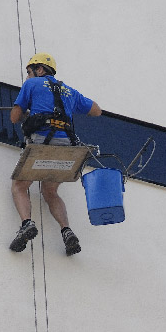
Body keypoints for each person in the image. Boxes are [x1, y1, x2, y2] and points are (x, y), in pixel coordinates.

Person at [8, 53, 102, 256]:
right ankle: (66, 231)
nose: (27, 77)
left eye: (29, 72)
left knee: (19, 186)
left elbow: (14, 117)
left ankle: (26, 224)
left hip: (42, 145)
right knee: (50, 192)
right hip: (68, 149)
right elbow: (97, 110)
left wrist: (28, 112)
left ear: (39, 70)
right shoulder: (69, 91)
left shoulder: (32, 85)